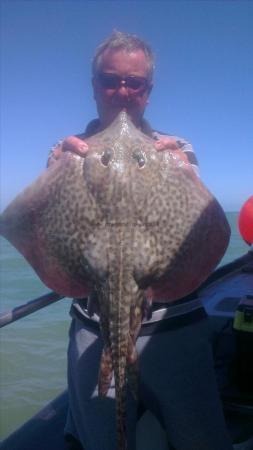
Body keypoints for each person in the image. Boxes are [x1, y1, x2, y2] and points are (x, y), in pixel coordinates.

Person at [48, 31, 233, 450]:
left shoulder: (174, 147)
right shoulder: (68, 151)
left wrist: (182, 168)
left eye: (136, 82)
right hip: (93, 326)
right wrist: (57, 169)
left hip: (175, 327)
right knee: (104, 439)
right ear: (94, 85)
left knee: (200, 437)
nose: (123, 91)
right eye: (110, 79)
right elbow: (47, 224)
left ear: (149, 92)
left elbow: (199, 217)